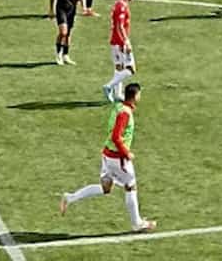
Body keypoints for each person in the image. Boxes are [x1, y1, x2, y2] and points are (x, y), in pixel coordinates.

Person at [60, 82, 156, 233]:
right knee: (131, 187)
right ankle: (137, 223)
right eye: (139, 94)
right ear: (135, 96)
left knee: (106, 188)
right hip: (118, 158)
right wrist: (126, 153)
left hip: (107, 155)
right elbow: (116, 137)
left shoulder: (118, 107)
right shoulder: (125, 113)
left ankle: (70, 197)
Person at [102, 0, 137, 103]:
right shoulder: (122, 6)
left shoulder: (118, 4)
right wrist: (125, 41)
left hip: (115, 41)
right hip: (120, 42)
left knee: (119, 68)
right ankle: (109, 86)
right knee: (131, 69)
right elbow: (119, 26)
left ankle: (117, 94)